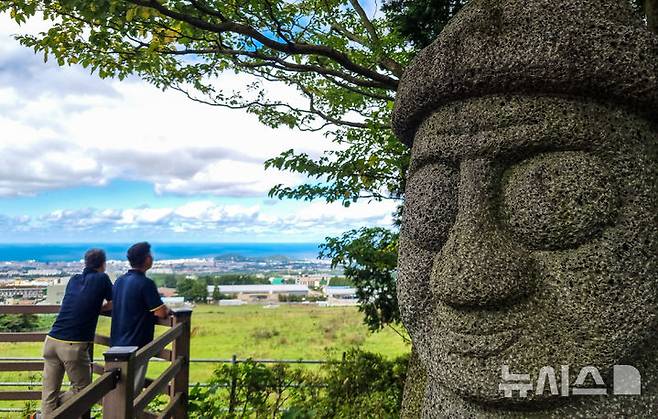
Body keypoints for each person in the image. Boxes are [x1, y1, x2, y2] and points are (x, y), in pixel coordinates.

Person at [41, 249, 112, 417]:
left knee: (49, 394)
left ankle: (47, 412)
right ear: (103, 264)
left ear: (85, 263)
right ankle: (52, 409)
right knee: (84, 391)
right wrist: (98, 309)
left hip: (51, 341)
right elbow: (115, 302)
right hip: (73, 344)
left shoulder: (73, 279)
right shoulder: (102, 278)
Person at [110, 242, 168, 393]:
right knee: (132, 394)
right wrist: (167, 309)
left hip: (116, 344)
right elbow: (160, 312)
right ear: (147, 259)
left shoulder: (119, 281)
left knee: (117, 392)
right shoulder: (145, 283)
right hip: (136, 346)